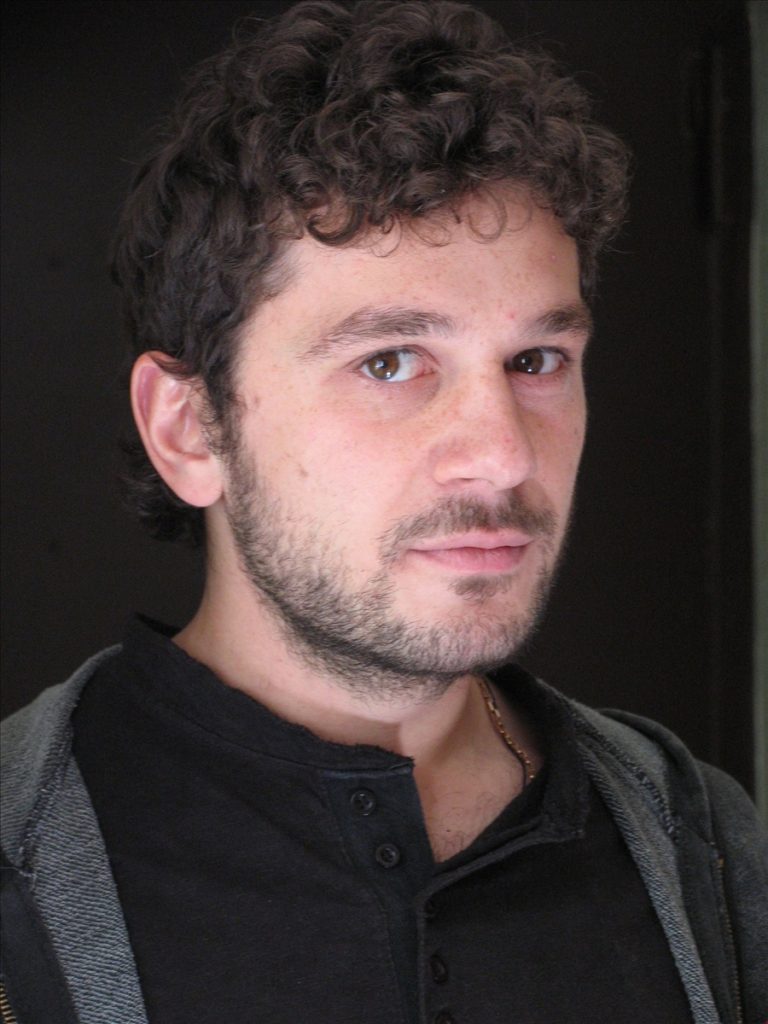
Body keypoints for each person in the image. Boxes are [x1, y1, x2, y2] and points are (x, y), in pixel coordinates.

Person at [1, 1, 765, 1021]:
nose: (503, 453)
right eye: (391, 362)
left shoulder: (701, 843)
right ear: (189, 429)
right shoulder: (24, 863)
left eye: (536, 360)